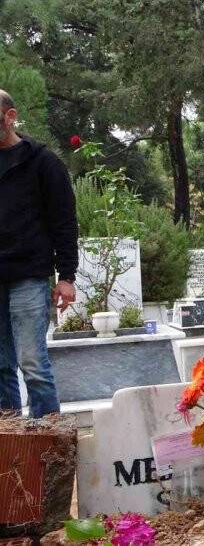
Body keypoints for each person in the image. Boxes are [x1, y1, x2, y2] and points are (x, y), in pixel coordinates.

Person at [0, 89, 77, 418]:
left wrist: (67, 276)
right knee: (0, 368)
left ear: (10, 116)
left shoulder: (42, 162)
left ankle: (49, 450)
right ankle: (10, 449)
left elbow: (64, 221)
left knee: (32, 363)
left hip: (29, 276)